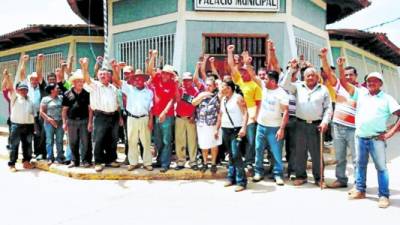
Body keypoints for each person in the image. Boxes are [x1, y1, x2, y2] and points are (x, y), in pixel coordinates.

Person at [341, 63, 400, 208]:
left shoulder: (387, 99)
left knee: (381, 168)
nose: (371, 83)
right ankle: (360, 190)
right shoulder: (361, 94)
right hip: (360, 137)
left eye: (374, 80)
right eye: (368, 81)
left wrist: (390, 133)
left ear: (380, 83)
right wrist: (341, 68)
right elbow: (343, 83)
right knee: (360, 166)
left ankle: (384, 195)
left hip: (376, 139)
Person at [281, 58, 332, 188]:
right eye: (307, 75)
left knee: (316, 154)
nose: (310, 77)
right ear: (304, 77)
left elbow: (328, 108)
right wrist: (291, 69)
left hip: (317, 125)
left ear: (317, 77)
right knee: (300, 152)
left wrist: (325, 122)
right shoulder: (298, 87)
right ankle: (301, 176)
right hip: (300, 124)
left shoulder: (323, 89)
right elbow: (284, 85)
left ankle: (319, 178)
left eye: (312, 75)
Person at [319, 48, 359, 188]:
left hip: (354, 129)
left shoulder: (362, 91)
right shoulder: (338, 88)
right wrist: (323, 58)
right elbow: (328, 73)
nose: (347, 78)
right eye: (345, 75)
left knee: (356, 158)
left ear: (356, 76)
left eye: (350, 75)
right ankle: (341, 179)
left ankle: (358, 183)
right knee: (340, 157)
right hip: (338, 127)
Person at [112, 62, 154, 172]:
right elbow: (116, 81)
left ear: (144, 80)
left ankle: (147, 163)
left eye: (141, 79)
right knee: (132, 141)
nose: (138, 81)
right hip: (131, 118)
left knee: (146, 142)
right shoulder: (129, 89)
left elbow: (151, 108)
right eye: (136, 79)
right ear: (134, 81)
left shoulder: (149, 92)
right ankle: (133, 162)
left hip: (144, 118)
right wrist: (115, 68)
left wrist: (151, 121)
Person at [227, 45, 262, 173]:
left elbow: (259, 103)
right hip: (238, 114)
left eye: (246, 71)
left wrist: (255, 116)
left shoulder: (255, 85)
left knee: (251, 140)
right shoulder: (239, 81)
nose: (243, 73)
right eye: (242, 71)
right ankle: (235, 161)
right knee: (237, 140)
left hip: (251, 113)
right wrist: (230, 52)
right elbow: (231, 66)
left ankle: (249, 162)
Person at [82, 58, 120, 172]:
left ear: (109, 76)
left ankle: (111, 159)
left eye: (105, 74)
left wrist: (119, 117)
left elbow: (117, 103)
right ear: (98, 76)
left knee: (113, 139)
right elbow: (87, 80)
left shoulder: (113, 88)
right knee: (98, 139)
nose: (103, 76)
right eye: (101, 74)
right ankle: (98, 162)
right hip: (100, 116)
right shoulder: (94, 85)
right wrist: (85, 68)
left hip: (113, 116)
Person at [252, 70, 289, 185]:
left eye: (266, 79)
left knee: (276, 152)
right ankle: (258, 172)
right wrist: (247, 63)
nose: (264, 80)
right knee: (258, 149)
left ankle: (277, 174)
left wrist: (281, 129)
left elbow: (286, 112)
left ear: (273, 81)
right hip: (261, 126)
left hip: (274, 128)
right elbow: (253, 76)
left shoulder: (282, 94)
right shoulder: (263, 87)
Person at [147, 50, 178, 173]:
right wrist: (153, 57)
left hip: (167, 116)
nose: (165, 75)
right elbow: (150, 70)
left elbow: (172, 100)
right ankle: (159, 160)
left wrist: (164, 112)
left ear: (171, 75)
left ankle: (165, 163)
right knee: (158, 140)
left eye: (168, 74)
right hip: (156, 115)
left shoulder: (172, 83)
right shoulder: (157, 79)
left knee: (166, 140)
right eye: (164, 73)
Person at [2, 69, 35, 172]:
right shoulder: (15, 97)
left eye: (25, 89)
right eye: (21, 89)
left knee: (28, 145)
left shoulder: (30, 100)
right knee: (14, 145)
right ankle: (12, 164)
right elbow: (11, 88)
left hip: (29, 125)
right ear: (18, 91)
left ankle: (26, 162)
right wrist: (7, 77)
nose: (23, 91)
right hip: (16, 125)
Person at [220, 80, 248, 192]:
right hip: (225, 129)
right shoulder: (223, 99)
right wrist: (218, 128)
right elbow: (221, 114)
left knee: (236, 154)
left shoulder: (238, 98)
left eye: (223, 86)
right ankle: (231, 177)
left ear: (229, 88)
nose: (221, 88)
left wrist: (244, 127)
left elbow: (246, 113)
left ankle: (241, 181)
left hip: (236, 130)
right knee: (231, 154)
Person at [62, 70, 92, 168]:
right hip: (71, 121)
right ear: (74, 83)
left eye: (82, 81)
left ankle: (85, 161)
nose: (80, 83)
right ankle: (74, 161)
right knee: (73, 142)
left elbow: (90, 109)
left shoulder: (87, 93)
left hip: (84, 120)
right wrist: (64, 123)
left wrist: (90, 122)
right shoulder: (67, 94)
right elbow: (64, 110)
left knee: (85, 142)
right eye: (78, 81)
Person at [192, 76, 222, 173]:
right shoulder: (201, 94)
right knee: (203, 144)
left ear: (214, 86)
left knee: (214, 144)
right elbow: (193, 103)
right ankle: (205, 163)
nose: (207, 87)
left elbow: (219, 112)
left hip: (213, 124)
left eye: (210, 85)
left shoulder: (218, 96)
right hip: (201, 123)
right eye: (206, 85)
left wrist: (217, 127)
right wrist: (203, 95)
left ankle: (213, 163)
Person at [175, 72, 199, 171]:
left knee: (192, 141)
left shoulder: (195, 90)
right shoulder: (180, 89)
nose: (186, 82)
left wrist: (195, 115)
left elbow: (197, 105)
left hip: (190, 118)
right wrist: (176, 87)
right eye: (185, 80)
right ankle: (181, 161)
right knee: (180, 140)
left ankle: (193, 161)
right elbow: (177, 99)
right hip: (180, 118)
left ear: (192, 80)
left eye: (188, 80)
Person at [40, 83, 65, 164]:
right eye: (57, 88)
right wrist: (49, 119)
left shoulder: (61, 98)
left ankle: (60, 157)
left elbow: (64, 110)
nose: (58, 89)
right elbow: (41, 112)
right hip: (49, 123)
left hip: (60, 122)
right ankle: (50, 157)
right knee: (49, 140)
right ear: (52, 90)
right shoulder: (45, 99)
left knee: (59, 140)